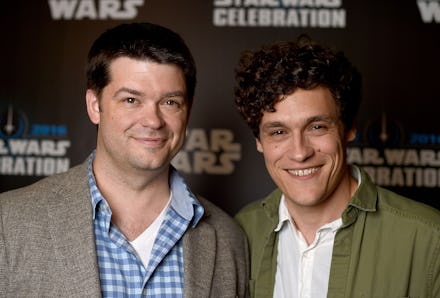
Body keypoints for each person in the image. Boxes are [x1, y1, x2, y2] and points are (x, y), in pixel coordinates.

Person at [0, 22, 248, 297]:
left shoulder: (228, 239)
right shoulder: (9, 223)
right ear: (95, 106)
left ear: (187, 112)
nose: (153, 120)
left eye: (170, 102)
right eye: (131, 100)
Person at [233, 36, 440, 298]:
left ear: (349, 129)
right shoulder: (241, 232)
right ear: (259, 141)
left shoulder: (429, 239)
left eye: (317, 127)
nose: (300, 152)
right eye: (278, 132)